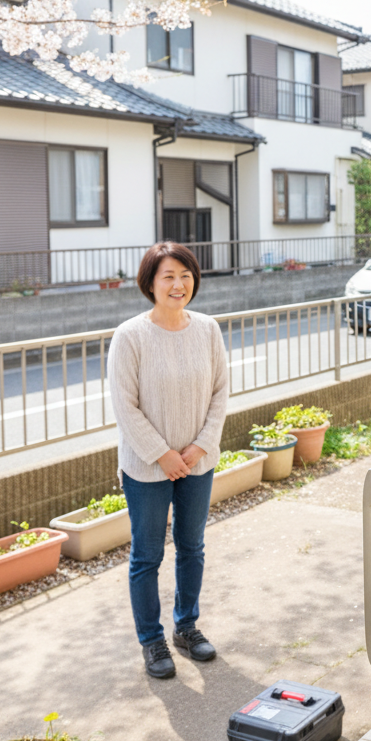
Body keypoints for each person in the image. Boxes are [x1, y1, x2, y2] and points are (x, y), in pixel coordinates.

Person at [108, 241, 229, 679]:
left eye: (185, 275)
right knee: (147, 555)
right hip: (146, 467)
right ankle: (151, 640)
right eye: (168, 277)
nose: (179, 285)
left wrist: (198, 447)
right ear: (151, 283)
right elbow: (125, 406)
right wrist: (162, 455)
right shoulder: (130, 336)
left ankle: (186, 627)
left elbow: (220, 393)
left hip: (198, 461)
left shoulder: (208, 329)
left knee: (192, 547)